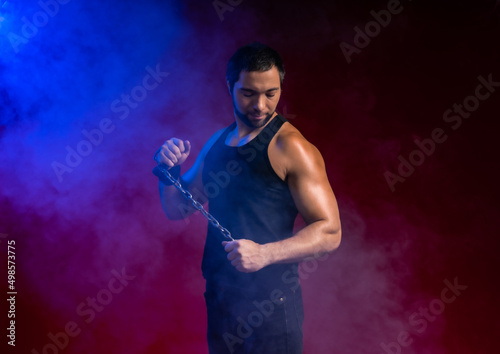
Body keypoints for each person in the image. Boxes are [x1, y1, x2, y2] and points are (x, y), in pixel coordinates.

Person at [153, 42, 341, 354]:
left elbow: (330, 231)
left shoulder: (292, 147)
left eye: (271, 93)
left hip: (271, 308)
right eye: (249, 93)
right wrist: (167, 170)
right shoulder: (218, 142)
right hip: (221, 301)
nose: (261, 105)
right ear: (230, 86)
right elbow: (178, 208)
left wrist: (265, 254)